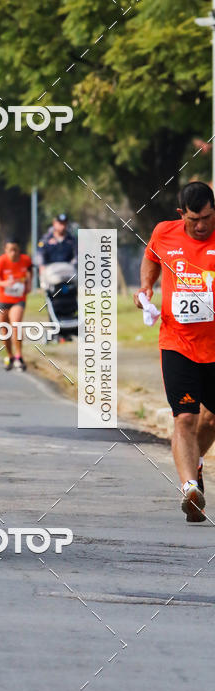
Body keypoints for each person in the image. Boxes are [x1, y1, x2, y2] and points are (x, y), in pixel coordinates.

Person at [134, 181, 215, 523]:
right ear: (182, 214)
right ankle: (189, 488)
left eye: (208, 218)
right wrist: (146, 289)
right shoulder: (164, 232)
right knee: (185, 417)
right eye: (195, 219)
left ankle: (193, 462)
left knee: (211, 420)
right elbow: (151, 257)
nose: (201, 226)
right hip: (177, 341)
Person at [0, 239, 33, 371]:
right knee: (5, 330)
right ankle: (10, 356)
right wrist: (4, 284)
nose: (13, 253)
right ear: (6, 250)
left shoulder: (25, 260)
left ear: (19, 250)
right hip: (2, 298)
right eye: (10, 250)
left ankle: (19, 356)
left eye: (16, 250)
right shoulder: (1, 261)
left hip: (18, 298)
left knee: (16, 325)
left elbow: (30, 270)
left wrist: (29, 283)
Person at [37, 213, 77, 277]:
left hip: (68, 270)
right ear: (54, 223)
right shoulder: (46, 239)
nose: (63, 226)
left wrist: (74, 264)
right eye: (60, 223)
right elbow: (40, 254)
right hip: (51, 271)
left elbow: (76, 255)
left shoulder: (72, 240)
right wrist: (42, 266)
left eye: (65, 224)